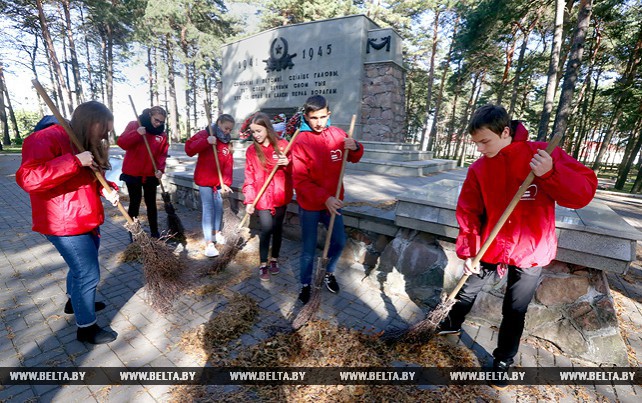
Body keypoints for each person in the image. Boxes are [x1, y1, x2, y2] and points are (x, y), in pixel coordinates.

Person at [437, 104, 597, 389]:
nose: (480, 149)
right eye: (476, 143)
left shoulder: (542, 155)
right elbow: (469, 210)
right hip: (489, 245)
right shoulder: (479, 168)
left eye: (485, 141)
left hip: (530, 249)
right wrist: (472, 250)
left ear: (506, 132)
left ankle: (503, 360)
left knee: (515, 308)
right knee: (468, 287)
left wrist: (550, 173)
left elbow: (582, 193)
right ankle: (450, 323)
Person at [16, 101, 121, 344]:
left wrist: (108, 190)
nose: (105, 135)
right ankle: (87, 328)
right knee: (88, 274)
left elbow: (93, 177)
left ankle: (74, 302)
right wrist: (73, 161)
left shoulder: (82, 140)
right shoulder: (45, 138)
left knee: (81, 270)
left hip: (85, 217)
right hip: (63, 222)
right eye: (103, 129)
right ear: (90, 122)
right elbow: (29, 178)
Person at [291, 95, 364, 304]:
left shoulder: (337, 135)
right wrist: (325, 198)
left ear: (328, 114)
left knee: (339, 241)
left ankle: (327, 272)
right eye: (314, 118)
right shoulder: (301, 141)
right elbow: (301, 181)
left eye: (323, 117)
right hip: (311, 205)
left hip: (334, 203)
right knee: (309, 247)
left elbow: (354, 157)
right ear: (306, 117)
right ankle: (305, 283)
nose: (319, 122)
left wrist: (355, 146)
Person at [242, 112, 293, 281]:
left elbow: (296, 170)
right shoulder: (251, 151)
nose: (256, 135)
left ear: (267, 128)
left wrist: (288, 163)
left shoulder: (283, 145)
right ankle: (263, 263)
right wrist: (249, 200)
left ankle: (274, 260)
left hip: (280, 195)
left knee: (277, 229)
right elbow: (249, 177)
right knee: (266, 229)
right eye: (253, 132)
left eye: (259, 131)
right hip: (262, 197)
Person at [185, 114, 235, 257]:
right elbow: (189, 150)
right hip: (205, 180)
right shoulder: (206, 134)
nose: (227, 132)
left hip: (219, 182)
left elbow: (228, 164)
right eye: (225, 128)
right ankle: (209, 243)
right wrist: (206, 141)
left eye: (230, 130)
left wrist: (226, 183)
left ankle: (216, 232)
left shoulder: (227, 142)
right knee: (208, 208)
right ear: (219, 123)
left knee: (218, 207)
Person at [117, 106, 169, 239]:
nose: (158, 124)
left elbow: (162, 154)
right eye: (156, 120)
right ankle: (133, 232)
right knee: (135, 202)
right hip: (133, 173)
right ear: (150, 115)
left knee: (151, 203)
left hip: (151, 174)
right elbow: (122, 143)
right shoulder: (135, 125)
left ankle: (154, 232)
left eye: (161, 122)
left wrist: (160, 170)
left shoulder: (161, 135)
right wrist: (137, 133)